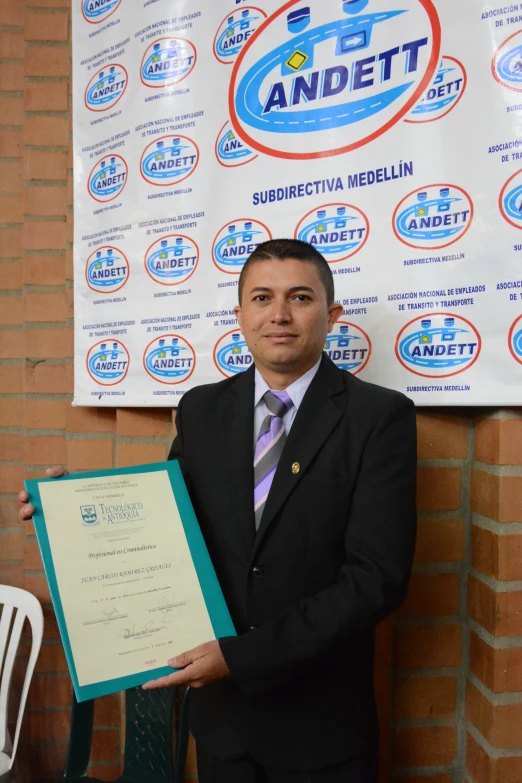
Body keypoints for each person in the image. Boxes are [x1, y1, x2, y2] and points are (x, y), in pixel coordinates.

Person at [19, 239, 417, 783]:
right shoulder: (202, 409)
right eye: (261, 298)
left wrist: (243, 657)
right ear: (240, 315)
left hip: (320, 729)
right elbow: (165, 526)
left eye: (299, 297)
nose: (278, 314)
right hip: (223, 724)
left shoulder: (379, 417)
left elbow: (376, 580)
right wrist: (69, 512)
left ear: (332, 315)